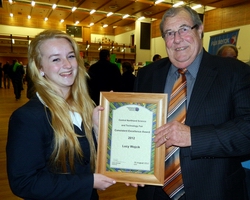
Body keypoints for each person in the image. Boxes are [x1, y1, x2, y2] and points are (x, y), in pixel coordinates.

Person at [133, 5, 250, 200]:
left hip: (214, 191)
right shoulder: (148, 75)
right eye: (169, 33)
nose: (177, 39)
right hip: (154, 193)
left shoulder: (235, 72)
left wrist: (193, 137)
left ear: (200, 29)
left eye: (184, 29)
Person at [6, 30, 116, 200]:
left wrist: (96, 130)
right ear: (40, 67)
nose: (67, 65)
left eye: (71, 56)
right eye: (56, 59)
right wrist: (89, 182)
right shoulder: (28, 117)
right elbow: (24, 182)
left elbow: (85, 160)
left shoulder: (87, 107)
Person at [217, 43, 250, 199]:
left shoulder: (244, 78)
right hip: (229, 161)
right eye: (227, 58)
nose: (232, 62)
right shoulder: (213, 84)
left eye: (234, 58)